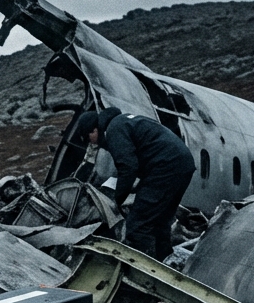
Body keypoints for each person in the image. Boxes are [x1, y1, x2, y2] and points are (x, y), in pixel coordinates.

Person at [77, 107, 196, 261]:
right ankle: (166, 261)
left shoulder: (114, 129)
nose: (92, 144)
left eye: (88, 138)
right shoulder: (124, 121)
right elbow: (144, 158)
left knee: (137, 226)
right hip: (181, 165)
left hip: (166, 168)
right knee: (161, 221)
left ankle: (146, 271)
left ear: (93, 130)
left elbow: (128, 167)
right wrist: (137, 188)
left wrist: (118, 199)